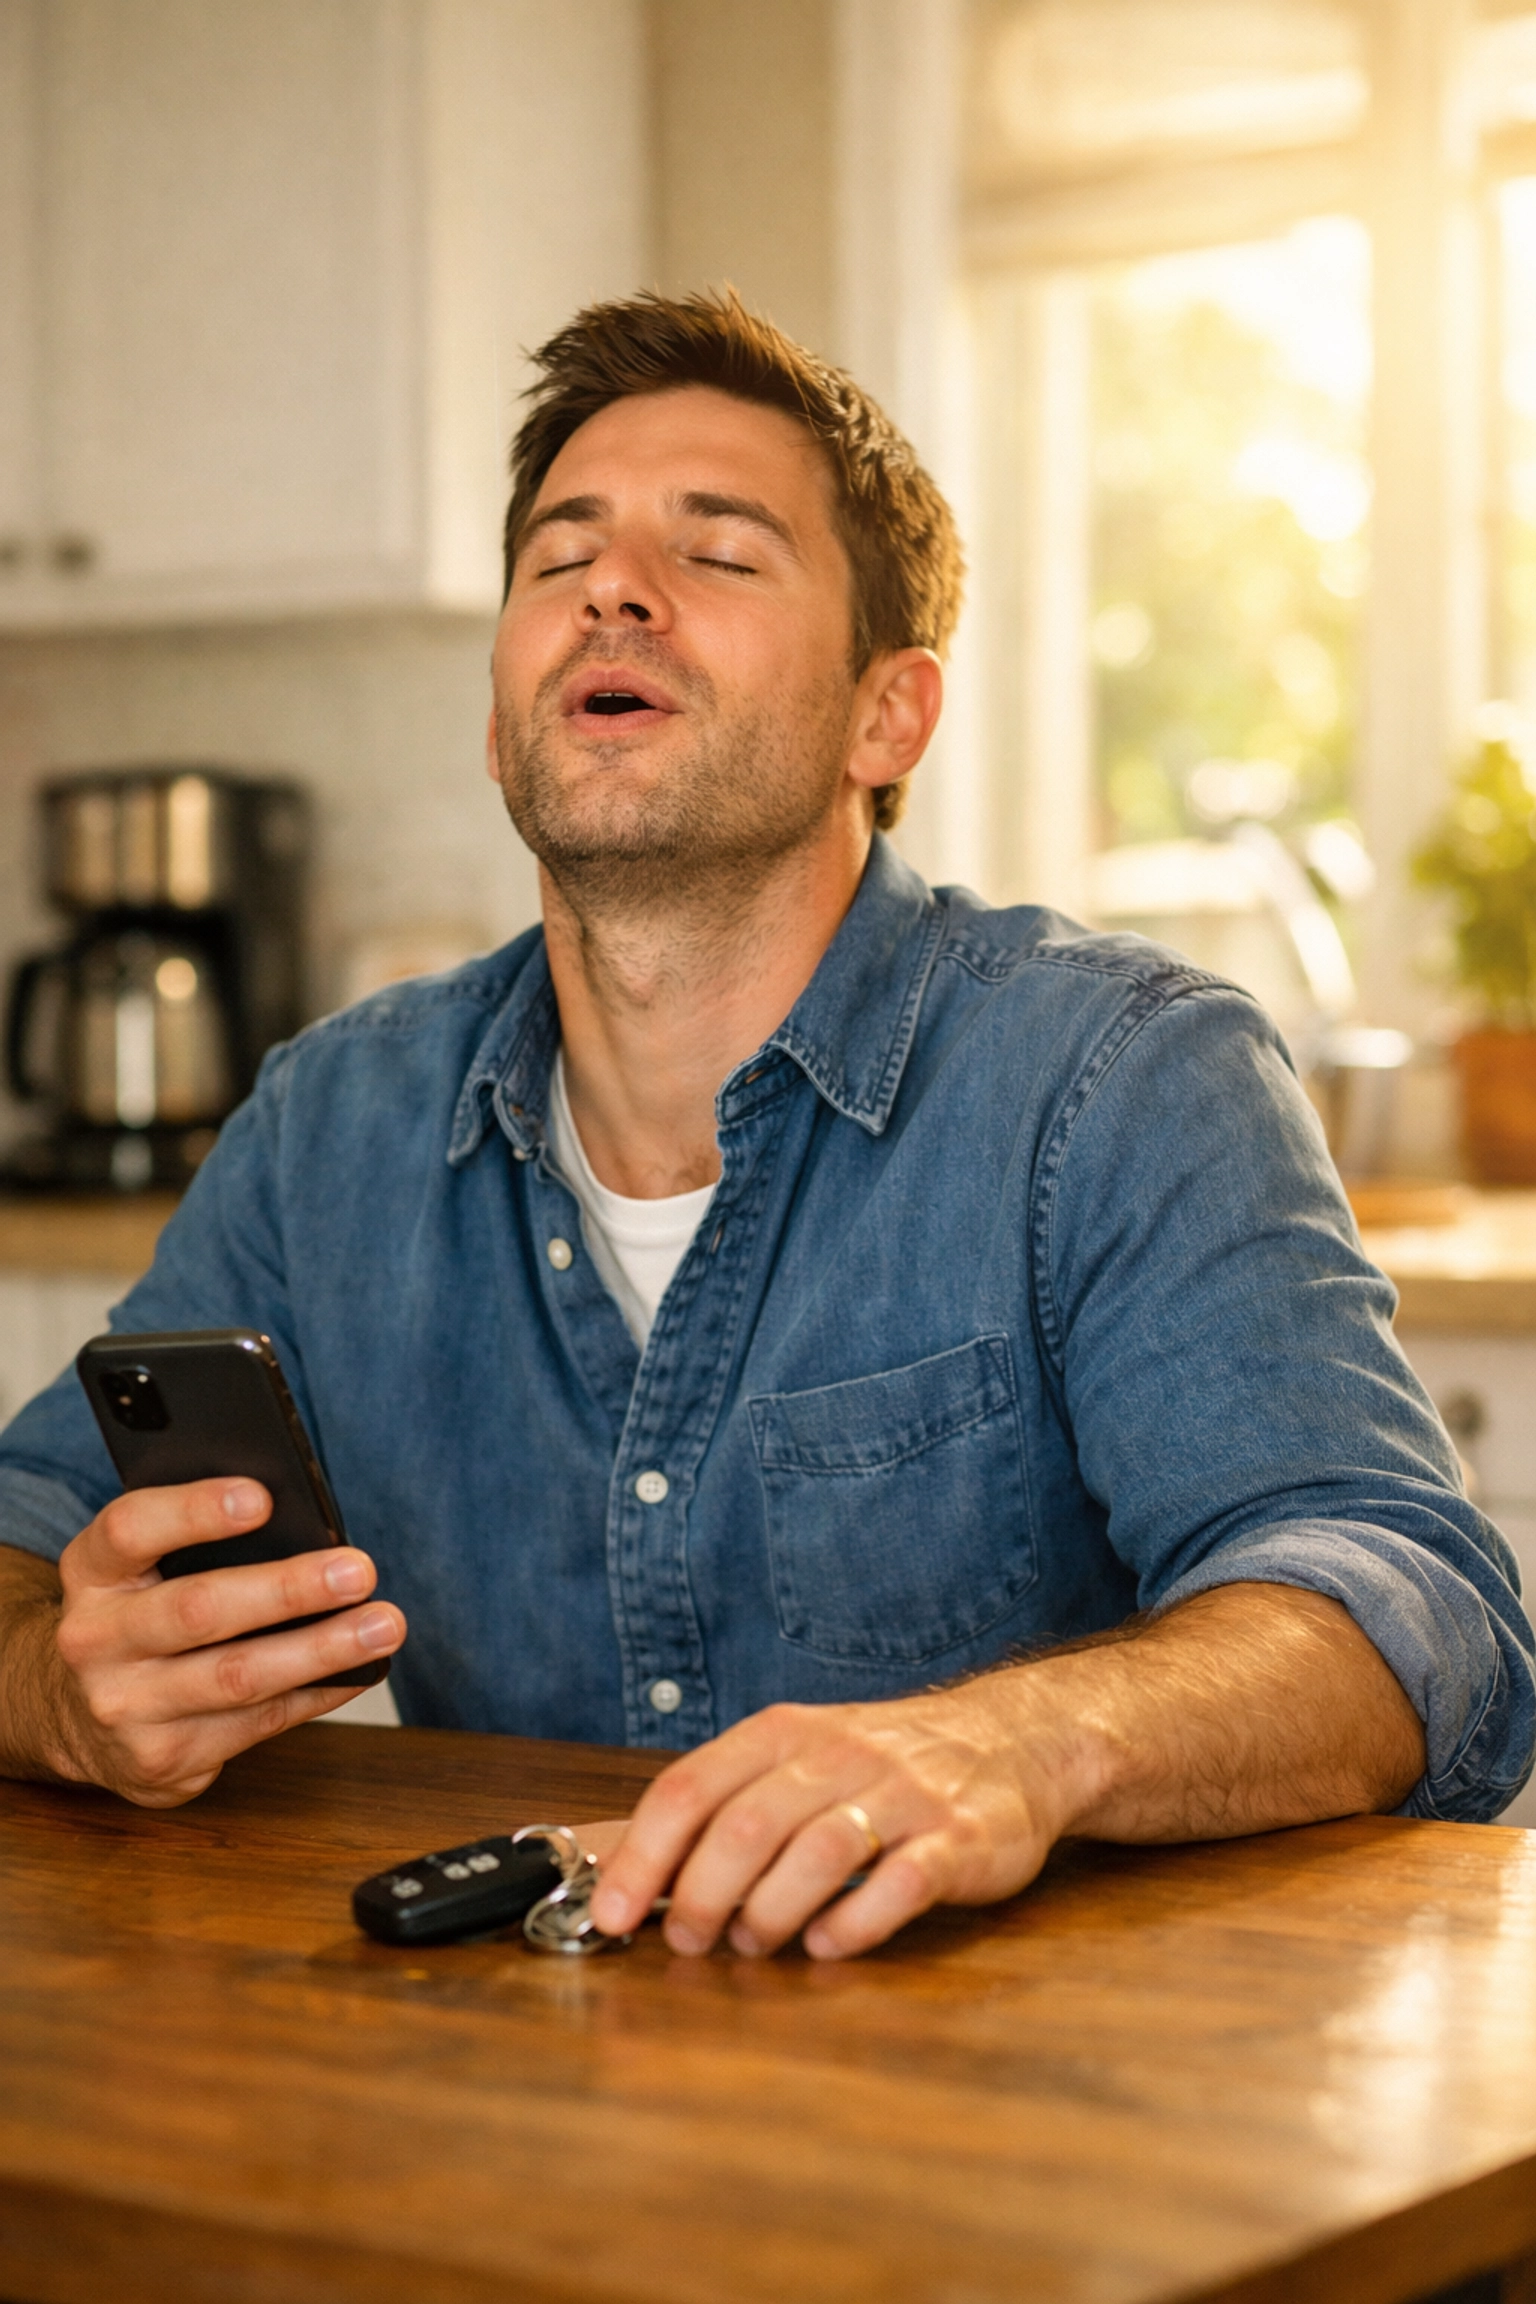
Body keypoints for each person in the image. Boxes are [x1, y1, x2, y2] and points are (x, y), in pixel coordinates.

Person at [0, 290, 1529, 1964]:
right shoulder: (328, 1125)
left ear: (892, 718)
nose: (611, 590)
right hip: (510, 2101)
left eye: (718, 555)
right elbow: (21, 1547)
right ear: (505, 693)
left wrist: (1003, 1744)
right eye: (556, 559)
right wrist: (60, 1694)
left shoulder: (1121, 1077)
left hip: (1042, 2126)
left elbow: (1420, 1613)